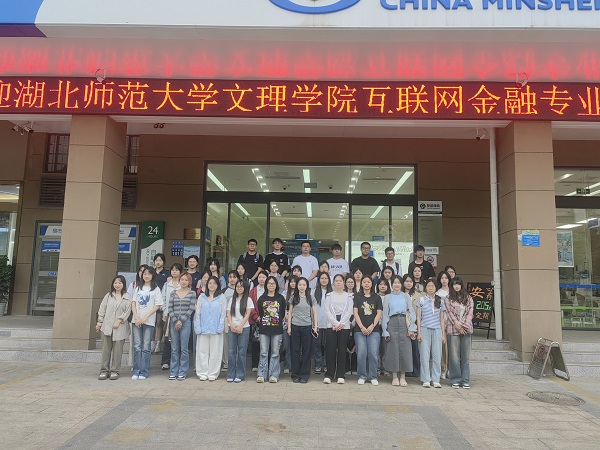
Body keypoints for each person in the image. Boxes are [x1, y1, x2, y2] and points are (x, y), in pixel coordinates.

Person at [382, 275, 417, 387]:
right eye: (394, 283)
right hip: (392, 322)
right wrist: (385, 330)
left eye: (398, 283)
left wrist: (411, 328)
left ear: (401, 284)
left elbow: (412, 312)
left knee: (405, 349)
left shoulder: (406, 296)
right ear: (391, 284)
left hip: (404, 322)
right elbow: (385, 315)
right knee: (392, 349)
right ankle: (394, 376)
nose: (396, 285)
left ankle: (403, 376)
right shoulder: (387, 297)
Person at [96, 275, 131, 380]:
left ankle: (115, 371)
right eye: (115, 283)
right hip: (106, 327)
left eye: (119, 283)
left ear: (123, 284)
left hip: (120, 328)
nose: (117, 285)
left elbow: (128, 311)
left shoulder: (127, 297)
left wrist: (119, 320)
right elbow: (102, 309)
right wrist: (99, 322)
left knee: (117, 351)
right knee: (105, 350)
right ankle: (104, 370)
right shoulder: (108, 296)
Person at [132, 267, 163, 380]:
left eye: (149, 274)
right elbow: (133, 303)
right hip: (136, 321)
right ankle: (136, 371)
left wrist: (145, 317)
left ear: (153, 275)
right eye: (144, 273)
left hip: (149, 321)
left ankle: (144, 371)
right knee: (137, 346)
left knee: (146, 347)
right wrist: (136, 317)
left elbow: (157, 305)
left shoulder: (156, 289)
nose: (146, 276)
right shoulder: (138, 288)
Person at [194, 276, 227, 381]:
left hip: (216, 329)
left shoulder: (221, 297)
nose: (212, 285)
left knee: (215, 352)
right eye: (210, 283)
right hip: (203, 328)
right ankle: (202, 372)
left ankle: (213, 373)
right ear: (206, 284)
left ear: (218, 285)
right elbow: (198, 313)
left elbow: (223, 313)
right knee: (202, 351)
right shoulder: (202, 297)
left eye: (214, 283)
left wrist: (220, 326)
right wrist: (197, 326)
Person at [323, 274, 354, 385]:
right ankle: (329, 374)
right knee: (330, 350)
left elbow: (350, 311)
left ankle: (340, 375)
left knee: (342, 350)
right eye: (336, 281)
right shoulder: (329, 295)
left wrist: (341, 323)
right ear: (333, 283)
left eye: (340, 280)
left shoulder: (349, 296)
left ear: (343, 282)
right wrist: (336, 323)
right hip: (331, 325)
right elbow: (327, 311)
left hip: (344, 325)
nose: (338, 282)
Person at [416, 278, 446, 388]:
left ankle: (436, 379)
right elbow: (418, 317)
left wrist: (443, 334)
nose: (430, 288)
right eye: (428, 286)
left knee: (437, 355)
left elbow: (442, 319)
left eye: (432, 286)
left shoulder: (440, 301)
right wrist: (419, 332)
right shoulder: (421, 300)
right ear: (425, 288)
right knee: (424, 355)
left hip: (437, 329)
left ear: (435, 288)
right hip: (424, 328)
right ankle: (426, 379)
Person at [256, 275, 287, 383]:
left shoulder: (280, 298)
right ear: (266, 285)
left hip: (277, 329)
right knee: (263, 352)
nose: (271, 285)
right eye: (269, 283)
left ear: (276, 285)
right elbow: (260, 312)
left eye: (273, 283)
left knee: (275, 353)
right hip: (264, 329)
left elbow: (282, 313)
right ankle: (261, 374)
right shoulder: (262, 298)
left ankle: (274, 375)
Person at [445, 277, 474, 389]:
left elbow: (470, 313)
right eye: (454, 284)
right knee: (454, 357)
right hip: (453, 330)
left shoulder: (468, 298)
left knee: (465, 357)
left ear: (462, 285)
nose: (456, 286)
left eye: (458, 284)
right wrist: (457, 325)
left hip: (466, 330)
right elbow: (449, 313)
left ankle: (465, 380)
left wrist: (464, 326)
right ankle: (455, 380)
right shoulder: (448, 298)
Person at [353, 276, 383, 385]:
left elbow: (379, 313)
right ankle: (362, 375)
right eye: (364, 282)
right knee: (361, 352)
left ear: (372, 284)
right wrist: (361, 327)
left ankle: (373, 376)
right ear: (361, 284)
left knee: (373, 353)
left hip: (374, 330)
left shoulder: (377, 298)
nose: (366, 284)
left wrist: (372, 326)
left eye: (368, 282)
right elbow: (355, 313)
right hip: (359, 329)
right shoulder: (357, 297)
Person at [288, 277, 318, 383]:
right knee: (295, 351)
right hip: (295, 326)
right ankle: (295, 375)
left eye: (304, 285)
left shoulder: (310, 297)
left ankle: (304, 375)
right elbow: (290, 313)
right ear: (297, 286)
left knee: (307, 351)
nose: (301, 287)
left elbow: (314, 312)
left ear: (307, 286)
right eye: (300, 285)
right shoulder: (293, 297)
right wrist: (289, 327)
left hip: (307, 327)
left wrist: (315, 326)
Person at [168, 272, 195, 380]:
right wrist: (175, 320)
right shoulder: (173, 293)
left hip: (185, 323)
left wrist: (181, 321)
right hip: (173, 322)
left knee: (184, 348)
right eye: (182, 279)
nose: (183, 282)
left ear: (189, 282)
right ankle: (173, 371)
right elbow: (170, 308)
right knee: (174, 348)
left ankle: (182, 371)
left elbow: (191, 308)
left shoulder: (192, 293)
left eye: (186, 280)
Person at [227, 280, 254, 383]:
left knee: (242, 352)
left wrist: (241, 326)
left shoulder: (248, 299)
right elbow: (228, 313)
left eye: (241, 287)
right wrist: (231, 325)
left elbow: (248, 314)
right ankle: (231, 374)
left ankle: (240, 374)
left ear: (245, 288)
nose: (239, 288)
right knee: (231, 351)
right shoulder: (232, 299)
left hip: (244, 327)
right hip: (232, 328)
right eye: (237, 286)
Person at [160, 263, 183, 371]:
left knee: (178, 339)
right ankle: (165, 362)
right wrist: (165, 310)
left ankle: (177, 361)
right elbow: (162, 299)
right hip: (168, 315)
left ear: (180, 272)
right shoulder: (166, 285)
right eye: (173, 270)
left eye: (176, 270)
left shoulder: (182, 284)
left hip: (180, 316)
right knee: (167, 339)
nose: (174, 271)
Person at [221, 270, 240, 373]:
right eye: (230, 277)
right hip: (226, 319)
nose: (232, 279)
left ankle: (236, 363)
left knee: (237, 343)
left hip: (238, 319)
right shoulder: (224, 291)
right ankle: (226, 363)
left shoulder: (240, 290)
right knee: (226, 343)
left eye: (234, 277)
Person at [313, 271, 331, 374]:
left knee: (328, 345)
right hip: (317, 323)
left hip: (329, 323)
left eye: (326, 278)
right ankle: (318, 365)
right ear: (318, 280)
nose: (324, 280)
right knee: (317, 345)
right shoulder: (314, 292)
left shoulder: (332, 292)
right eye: (322, 278)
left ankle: (327, 365)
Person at [249, 272, 267, 371]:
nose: (261, 279)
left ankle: (264, 364)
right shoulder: (253, 291)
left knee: (266, 343)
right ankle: (255, 364)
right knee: (255, 343)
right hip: (255, 320)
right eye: (260, 277)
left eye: (264, 277)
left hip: (267, 321)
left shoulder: (269, 290)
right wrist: (256, 317)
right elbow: (250, 305)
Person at [152, 253, 169, 353]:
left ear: (163, 262)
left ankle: (158, 343)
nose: (158, 262)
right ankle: (152, 343)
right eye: (156, 260)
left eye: (160, 260)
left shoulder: (167, 273)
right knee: (152, 323)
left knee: (159, 322)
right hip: (151, 301)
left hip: (161, 300)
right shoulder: (151, 272)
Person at [436, 271, 451, 380]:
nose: (444, 280)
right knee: (444, 347)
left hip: (453, 322)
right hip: (441, 321)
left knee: (452, 347)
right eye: (442, 278)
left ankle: (451, 369)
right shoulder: (437, 293)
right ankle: (443, 368)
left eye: (446, 278)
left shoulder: (453, 292)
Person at [281, 276, 298, 375]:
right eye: (291, 282)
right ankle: (287, 365)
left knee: (295, 346)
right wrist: (286, 316)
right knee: (287, 346)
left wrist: (292, 316)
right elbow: (281, 307)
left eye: (295, 282)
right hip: (285, 322)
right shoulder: (284, 294)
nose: (293, 284)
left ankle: (295, 366)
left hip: (296, 321)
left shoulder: (299, 294)